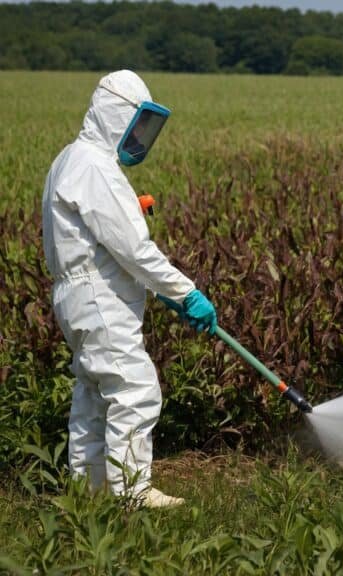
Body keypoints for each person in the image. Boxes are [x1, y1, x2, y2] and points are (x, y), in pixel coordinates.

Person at [41, 70, 217, 508]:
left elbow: (105, 242)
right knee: (134, 388)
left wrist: (159, 289)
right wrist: (183, 292)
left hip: (79, 295)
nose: (139, 134)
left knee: (95, 395)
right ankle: (132, 494)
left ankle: (89, 492)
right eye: (136, 123)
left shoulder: (70, 159)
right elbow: (134, 249)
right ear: (115, 113)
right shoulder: (96, 168)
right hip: (98, 298)